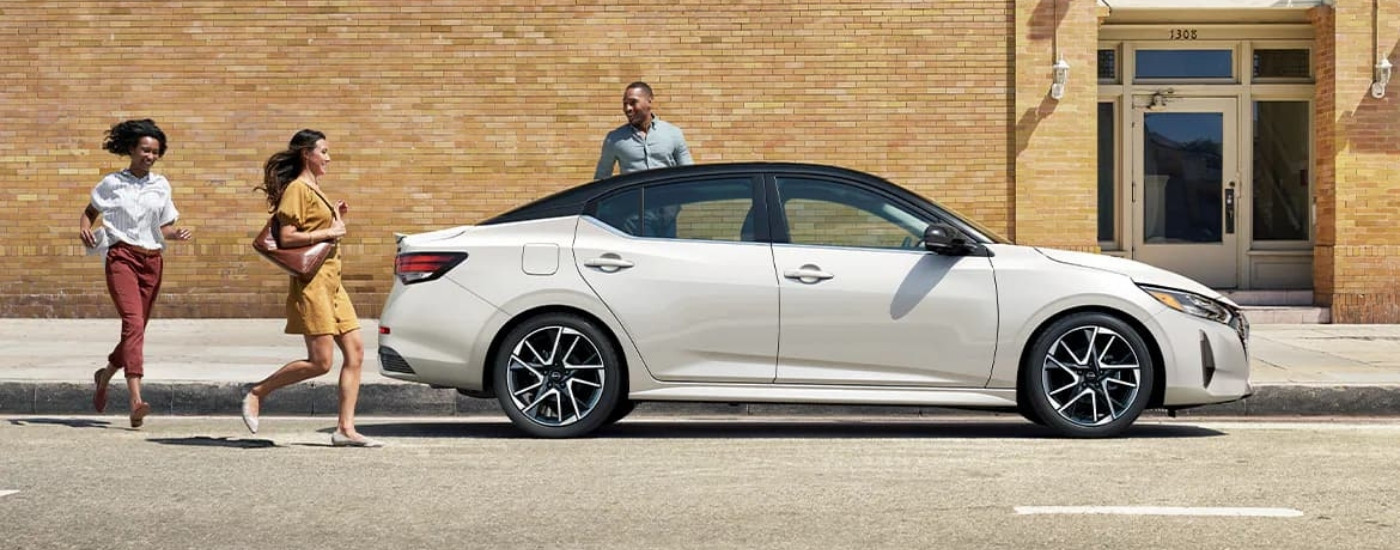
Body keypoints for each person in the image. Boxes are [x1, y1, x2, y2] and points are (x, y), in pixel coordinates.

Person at [243, 129, 382, 447]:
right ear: (307, 153)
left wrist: (334, 216)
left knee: (356, 352)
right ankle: (257, 393)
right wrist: (329, 231)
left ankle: (345, 429)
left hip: (333, 284)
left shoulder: (313, 189)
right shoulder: (297, 189)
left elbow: (315, 228)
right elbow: (287, 238)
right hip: (313, 284)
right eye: (324, 151)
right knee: (321, 362)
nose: (328, 157)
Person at [80, 118, 193, 429]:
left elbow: (163, 226)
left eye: (155, 152)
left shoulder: (161, 185)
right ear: (131, 149)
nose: (150, 156)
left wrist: (175, 234)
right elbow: (90, 211)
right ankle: (135, 400)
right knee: (133, 323)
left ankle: (105, 375)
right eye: (145, 150)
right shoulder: (112, 183)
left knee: (137, 328)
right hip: (122, 257)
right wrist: (84, 229)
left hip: (152, 261)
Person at [594, 81, 694, 180]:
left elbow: (689, 173)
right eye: (625, 103)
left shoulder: (673, 133)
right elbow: (601, 178)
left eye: (633, 102)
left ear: (649, 101)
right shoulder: (614, 139)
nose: (628, 108)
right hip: (634, 195)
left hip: (667, 195)